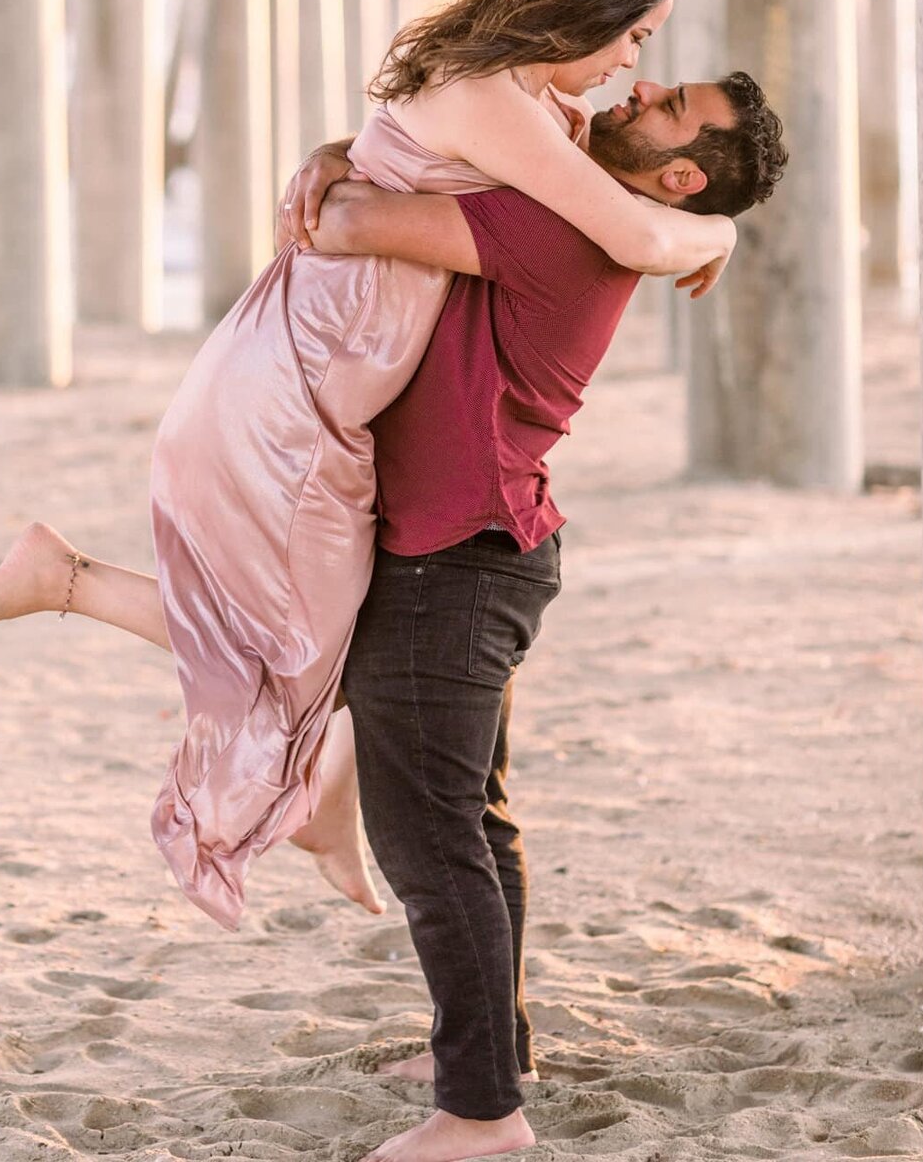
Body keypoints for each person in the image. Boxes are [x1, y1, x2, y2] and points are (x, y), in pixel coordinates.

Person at [0, 0, 738, 931]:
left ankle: (318, 796)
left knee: (347, 635)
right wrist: (717, 237)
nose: (634, 61)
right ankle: (70, 583)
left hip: (330, 375)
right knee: (307, 648)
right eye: (636, 33)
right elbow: (626, 232)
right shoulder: (495, 95)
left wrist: (332, 149)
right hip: (301, 384)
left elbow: (404, 154)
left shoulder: (537, 103)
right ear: (591, 3)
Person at [281, 73, 787, 1162]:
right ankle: (489, 1051)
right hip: (487, 546)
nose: (640, 81)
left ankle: (482, 1116)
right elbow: (407, 165)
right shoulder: (591, 214)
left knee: (429, 843)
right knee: (474, 822)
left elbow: (347, 223)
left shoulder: (553, 225)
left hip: (452, 561)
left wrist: (330, 167)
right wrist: (337, 145)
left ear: (681, 173)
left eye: (670, 101)